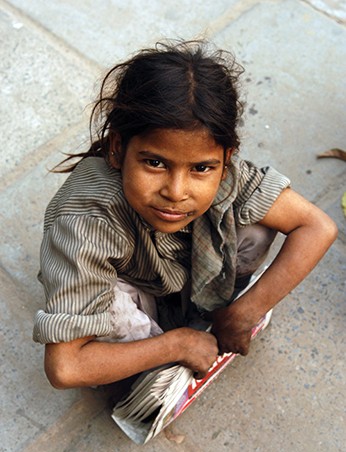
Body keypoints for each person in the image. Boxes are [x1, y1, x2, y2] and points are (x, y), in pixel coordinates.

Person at [33, 40, 337, 390]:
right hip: (136, 289)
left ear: (225, 160)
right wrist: (175, 344)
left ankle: (211, 311)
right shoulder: (86, 224)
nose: (176, 192)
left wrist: (245, 311)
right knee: (116, 317)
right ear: (118, 149)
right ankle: (151, 362)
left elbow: (316, 226)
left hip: (180, 277)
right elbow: (65, 368)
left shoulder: (224, 173)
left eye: (202, 168)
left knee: (256, 226)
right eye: (155, 163)